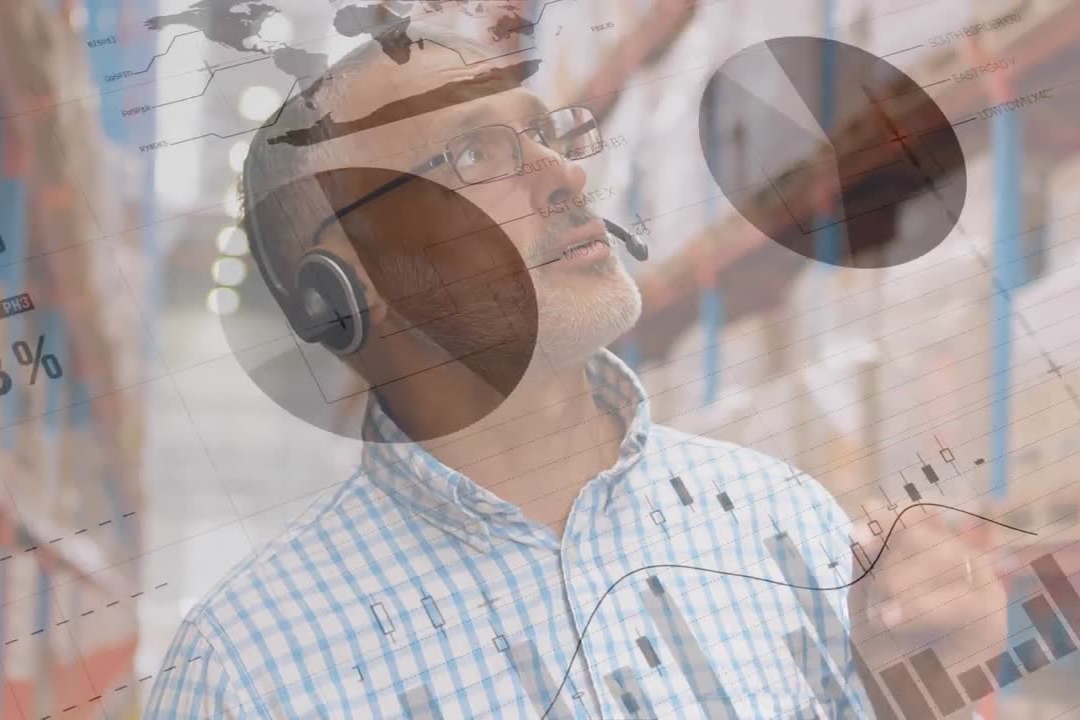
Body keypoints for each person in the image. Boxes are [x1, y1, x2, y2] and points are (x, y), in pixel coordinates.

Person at [146, 15, 1007, 720]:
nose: (563, 175)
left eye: (546, 134)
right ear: (348, 283)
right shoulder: (246, 670)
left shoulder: (790, 527)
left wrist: (937, 702)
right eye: (476, 154)